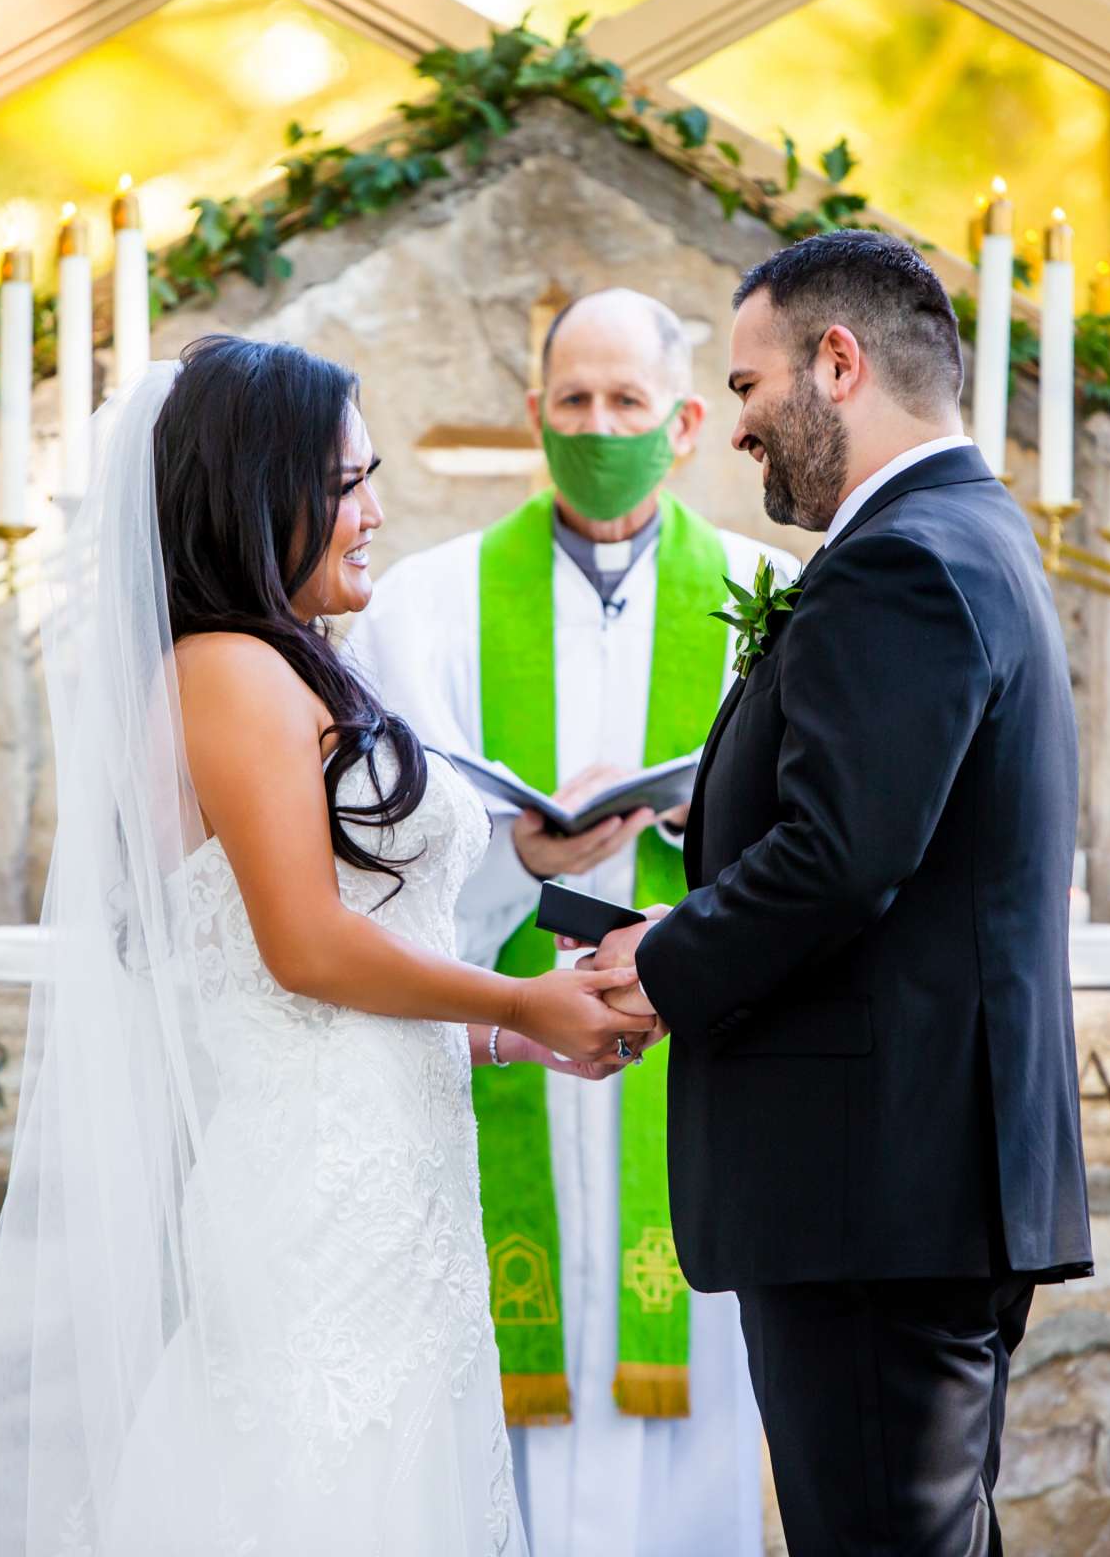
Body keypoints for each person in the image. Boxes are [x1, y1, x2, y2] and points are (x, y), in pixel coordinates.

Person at [0, 336, 646, 1557]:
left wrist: (502, 1032)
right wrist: (518, 991)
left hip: (389, 1169)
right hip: (312, 1191)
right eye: (350, 482)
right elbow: (303, 947)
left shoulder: (296, 663)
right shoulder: (228, 673)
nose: (377, 511)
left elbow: (310, 954)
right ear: (261, 493)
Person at [574, 232, 1094, 1556]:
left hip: (876, 1180)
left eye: (747, 388)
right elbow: (896, 818)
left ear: (839, 363)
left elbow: (847, 855)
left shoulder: (900, 560)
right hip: (913, 1178)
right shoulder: (967, 534)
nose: (738, 429)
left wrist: (662, 960)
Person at [347, 288, 793, 1557]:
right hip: (511, 1049)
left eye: (628, 402)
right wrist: (519, 853)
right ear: (537, 414)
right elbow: (387, 857)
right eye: (575, 401)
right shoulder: (424, 605)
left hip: (688, 1056)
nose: (599, 425)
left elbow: (815, 846)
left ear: (688, 421)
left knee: (694, 1409)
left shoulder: (772, 598)